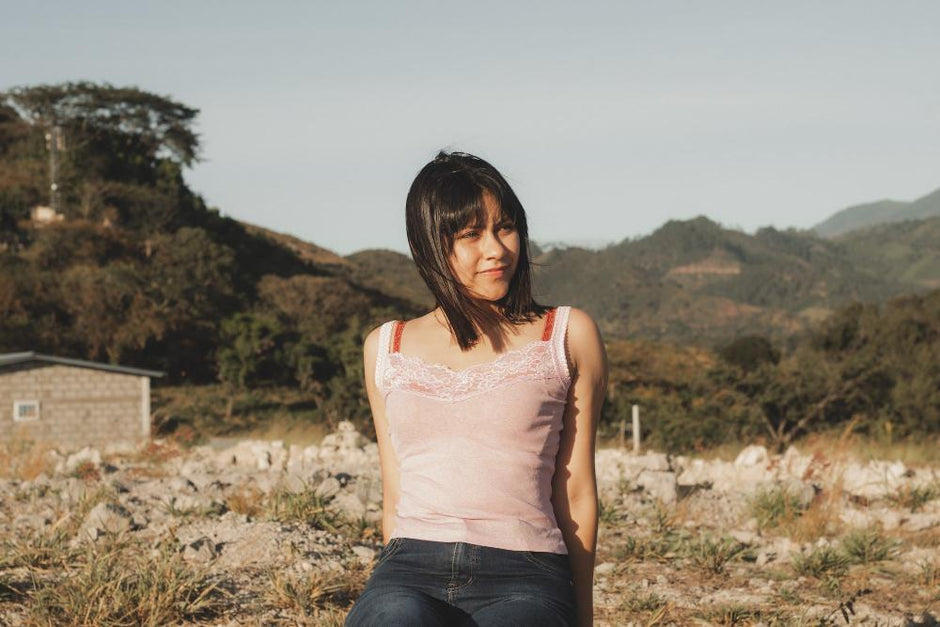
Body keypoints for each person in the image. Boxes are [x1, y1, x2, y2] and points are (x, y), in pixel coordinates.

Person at [345, 151, 607, 627]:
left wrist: (582, 618)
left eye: (505, 227)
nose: (496, 249)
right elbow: (395, 492)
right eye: (471, 234)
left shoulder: (568, 335)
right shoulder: (385, 346)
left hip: (527, 571)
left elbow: (577, 493)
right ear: (428, 244)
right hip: (408, 569)